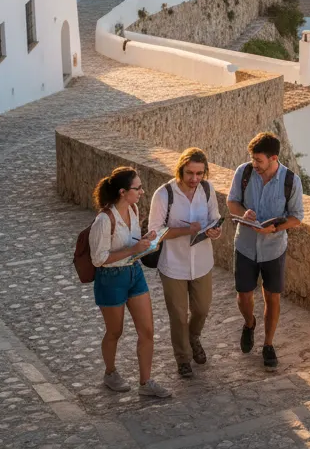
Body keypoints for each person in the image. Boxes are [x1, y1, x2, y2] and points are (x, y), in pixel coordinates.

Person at [88, 166, 172, 398]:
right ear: (123, 192)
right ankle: (110, 372)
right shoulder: (104, 220)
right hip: (111, 278)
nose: (142, 192)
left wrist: (146, 242)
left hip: (134, 273)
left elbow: (132, 244)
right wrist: (133, 249)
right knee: (115, 331)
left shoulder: (134, 209)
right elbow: (99, 259)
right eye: (138, 188)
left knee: (147, 330)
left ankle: (145, 383)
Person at [226, 132, 304, 371]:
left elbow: (297, 217)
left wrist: (274, 228)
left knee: (272, 296)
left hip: (274, 248)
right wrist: (244, 214)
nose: (254, 164)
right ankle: (249, 323)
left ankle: (268, 344)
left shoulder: (291, 180)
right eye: (253, 159)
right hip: (246, 245)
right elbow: (232, 203)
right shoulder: (244, 172)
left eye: (259, 160)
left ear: (273, 158)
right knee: (244, 295)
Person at [147, 148, 222, 378]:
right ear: (180, 170)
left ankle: (193, 337)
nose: (195, 179)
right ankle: (183, 358)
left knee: (202, 309)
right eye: (190, 173)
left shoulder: (207, 190)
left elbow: (214, 219)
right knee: (178, 315)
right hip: (173, 264)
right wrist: (184, 230)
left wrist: (215, 232)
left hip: (201, 262)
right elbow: (154, 233)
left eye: (200, 173)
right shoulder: (163, 195)